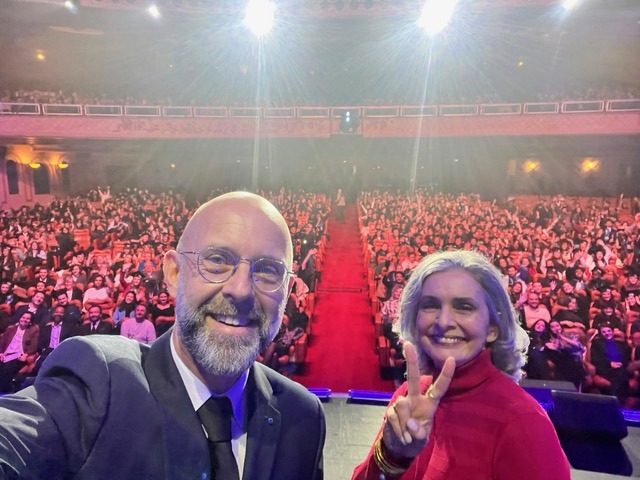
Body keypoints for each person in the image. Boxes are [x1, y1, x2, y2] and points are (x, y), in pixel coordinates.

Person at [0, 191, 325, 479]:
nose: (240, 290)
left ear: (287, 289)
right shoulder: (98, 383)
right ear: (173, 273)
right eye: (217, 261)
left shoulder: (303, 417)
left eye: (268, 270)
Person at [352, 250, 569, 480]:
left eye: (464, 307)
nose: (444, 321)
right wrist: (391, 457)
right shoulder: (408, 397)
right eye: (430, 305)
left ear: (492, 328)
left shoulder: (524, 421)